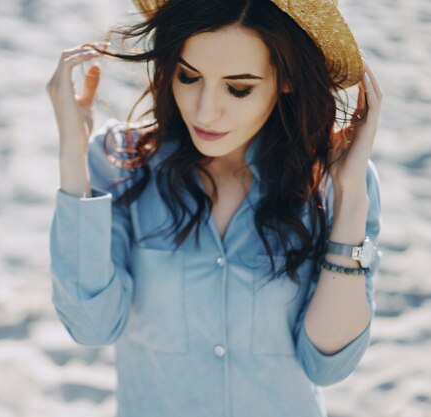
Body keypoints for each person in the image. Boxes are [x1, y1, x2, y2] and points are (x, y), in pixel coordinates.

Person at [46, 0, 383, 416]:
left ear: (287, 79)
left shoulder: (336, 180)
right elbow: (92, 325)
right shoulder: (119, 164)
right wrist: (71, 156)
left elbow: (329, 362)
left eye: (238, 88)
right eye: (189, 77)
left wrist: (349, 198)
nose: (204, 110)